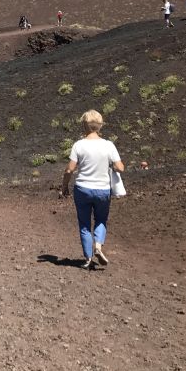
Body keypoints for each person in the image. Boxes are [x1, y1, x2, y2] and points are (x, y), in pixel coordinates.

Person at [61, 110, 125, 270]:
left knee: (84, 225)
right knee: (101, 219)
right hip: (102, 190)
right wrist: (109, 164)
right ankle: (98, 245)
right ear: (100, 125)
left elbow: (69, 170)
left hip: (82, 189)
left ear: (84, 125)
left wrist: (64, 187)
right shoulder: (108, 145)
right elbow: (120, 167)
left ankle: (88, 258)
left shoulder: (79, 145)